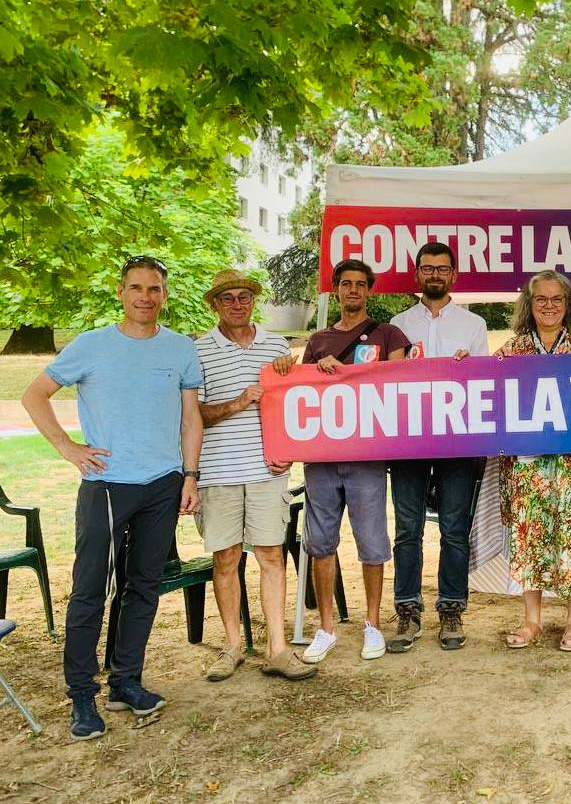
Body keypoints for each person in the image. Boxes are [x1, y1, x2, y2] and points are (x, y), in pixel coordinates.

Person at [21, 256, 203, 741]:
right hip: (106, 484)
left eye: (155, 288)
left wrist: (190, 476)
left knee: (142, 586)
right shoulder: (91, 345)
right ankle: (82, 692)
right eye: (137, 287)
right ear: (121, 292)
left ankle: (126, 681)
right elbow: (34, 395)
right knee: (90, 591)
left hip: (163, 484)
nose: (146, 296)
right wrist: (67, 446)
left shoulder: (181, 349)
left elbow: (190, 419)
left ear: (166, 294)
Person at [193, 270, 313, 682]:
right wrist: (239, 402)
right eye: (228, 299)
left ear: (253, 301)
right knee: (225, 558)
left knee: (271, 555)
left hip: (267, 469)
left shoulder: (276, 346)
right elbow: (195, 416)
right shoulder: (200, 351)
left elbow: (291, 407)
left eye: (244, 297)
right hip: (218, 470)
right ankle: (232, 646)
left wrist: (289, 451)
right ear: (215, 305)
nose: (237, 304)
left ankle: (278, 648)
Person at [293, 259, 408, 664]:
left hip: (367, 456)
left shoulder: (389, 333)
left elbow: (398, 381)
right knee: (321, 543)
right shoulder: (318, 339)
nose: (353, 291)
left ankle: (373, 624)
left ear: (369, 290)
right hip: (323, 457)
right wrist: (315, 371)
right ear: (336, 289)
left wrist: (349, 370)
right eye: (346, 284)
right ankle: (325, 628)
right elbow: (300, 392)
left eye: (361, 284)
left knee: (372, 542)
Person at [496, 271, 571, 653]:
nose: (548, 305)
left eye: (556, 299)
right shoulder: (512, 350)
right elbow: (489, 394)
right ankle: (532, 621)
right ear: (529, 305)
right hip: (529, 465)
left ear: (568, 304)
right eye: (541, 299)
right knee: (531, 536)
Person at [388, 243, 489, 652]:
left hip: (457, 439)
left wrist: (468, 368)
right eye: (427, 269)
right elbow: (387, 382)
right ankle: (407, 609)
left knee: (454, 529)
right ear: (417, 275)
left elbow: (484, 381)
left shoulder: (473, 324)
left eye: (442, 269)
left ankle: (451, 607)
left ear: (454, 275)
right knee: (407, 530)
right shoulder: (397, 323)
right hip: (409, 440)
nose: (434, 275)